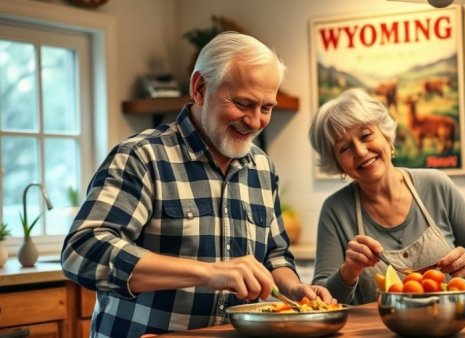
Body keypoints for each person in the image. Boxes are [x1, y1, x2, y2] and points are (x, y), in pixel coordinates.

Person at [62, 31, 332, 337]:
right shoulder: (142, 157)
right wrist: (207, 272)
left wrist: (294, 289)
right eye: (243, 103)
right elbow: (81, 252)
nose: (256, 121)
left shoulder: (261, 167)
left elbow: (276, 256)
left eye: (266, 108)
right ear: (200, 88)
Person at [308, 88, 465, 305]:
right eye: (345, 148)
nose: (361, 151)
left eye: (366, 135)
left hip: (449, 324)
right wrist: (348, 271)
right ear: (337, 164)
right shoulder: (335, 210)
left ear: (386, 135)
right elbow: (322, 297)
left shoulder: (437, 186)